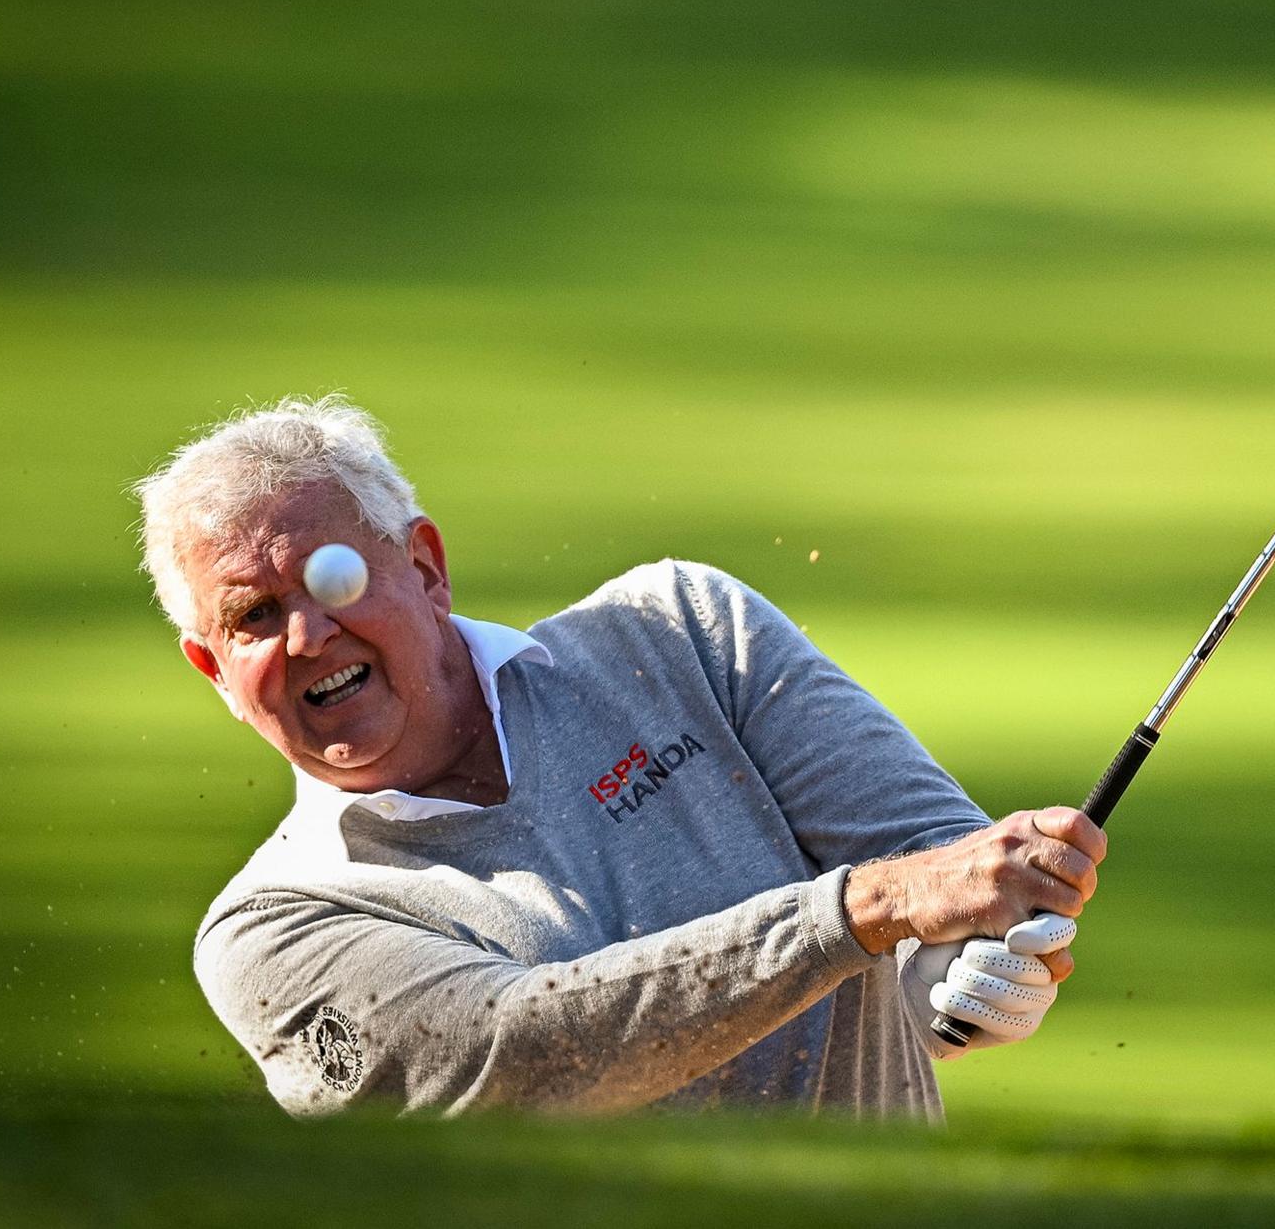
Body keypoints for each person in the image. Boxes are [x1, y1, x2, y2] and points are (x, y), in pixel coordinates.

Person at [133, 395, 1105, 1118]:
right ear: (212, 668)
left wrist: (960, 968)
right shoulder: (272, 931)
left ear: (424, 566)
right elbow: (518, 1057)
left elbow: (934, 858)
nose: (306, 633)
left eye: (330, 577)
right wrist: (863, 912)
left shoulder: (675, 629)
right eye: (253, 616)